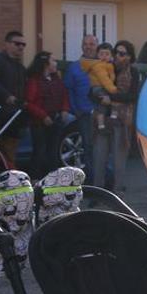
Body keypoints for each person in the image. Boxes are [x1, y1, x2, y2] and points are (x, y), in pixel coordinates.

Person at [91, 40, 139, 192]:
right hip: (103, 118)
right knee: (100, 157)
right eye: (116, 52)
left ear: (130, 57)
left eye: (122, 53)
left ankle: (117, 191)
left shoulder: (133, 72)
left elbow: (132, 96)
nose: (117, 56)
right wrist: (100, 98)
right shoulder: (104, 67)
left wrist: (111, 99)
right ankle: (98, 191)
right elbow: (92, 90)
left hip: (122, 120)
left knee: (119, 159)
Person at [24, 52, 73, 179]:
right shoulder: (34, 81)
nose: (56, 63)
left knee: (54, 152)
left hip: (55, 120)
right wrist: (43, 116)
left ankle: (53, 180)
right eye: (53, 60)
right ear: (45, 64)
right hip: (39, 123)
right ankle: (35, 179)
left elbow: (64, 95)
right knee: (39, 152)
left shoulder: (56, 79)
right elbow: (29, 102)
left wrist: (64, 109)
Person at [0, 30, 28, 167]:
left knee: (11, 150)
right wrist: (7, 96)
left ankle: (9, 176)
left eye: (23, 44)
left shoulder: (20, 67)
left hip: (15, 116)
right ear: (7, 44)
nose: (21, 47)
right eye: (17, 44)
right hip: (0, 113)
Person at [62, 34, 98, 183]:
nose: (88, 47)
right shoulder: (74, 67)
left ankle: (105, 180)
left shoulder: (104, 64)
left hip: (102, 114)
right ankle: (91, 181)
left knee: (104, 148)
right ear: (82, 46)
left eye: (91, 44)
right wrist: (75, 110)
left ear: (96, 46)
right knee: (88, 148)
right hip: (84, 114)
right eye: (86, 44)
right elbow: (68, 90)